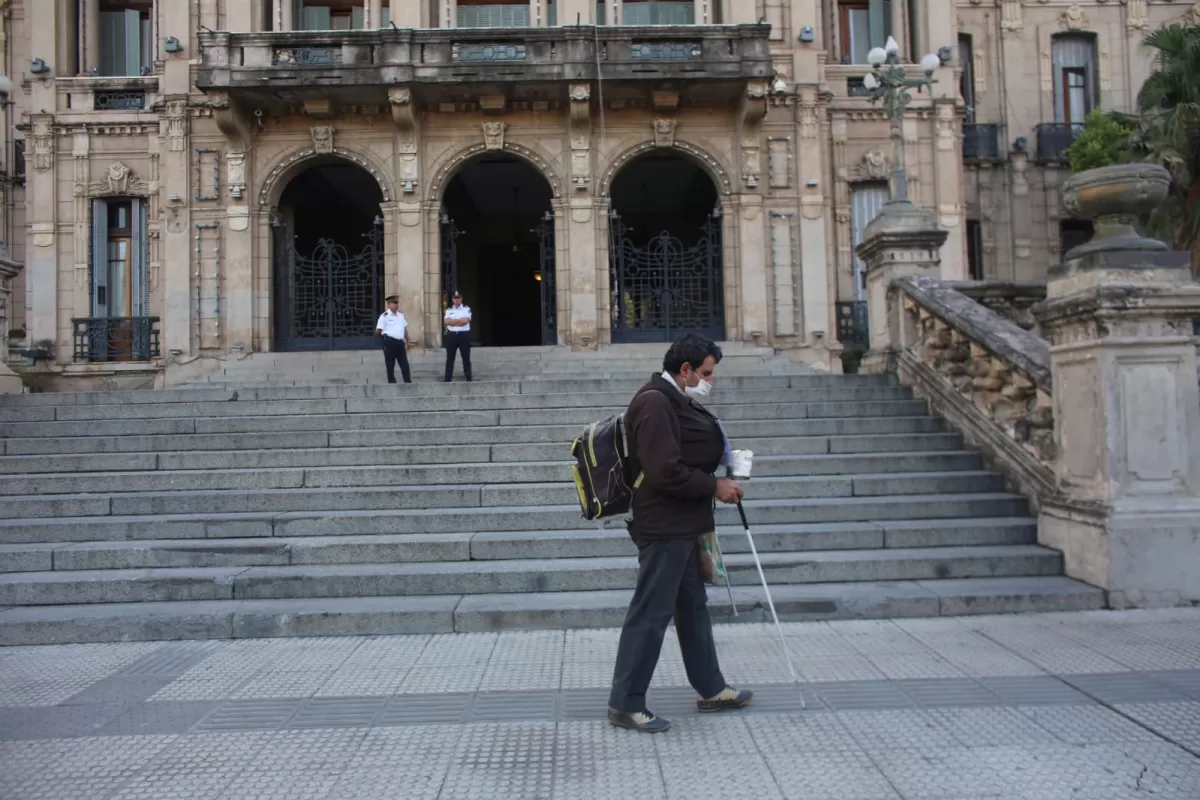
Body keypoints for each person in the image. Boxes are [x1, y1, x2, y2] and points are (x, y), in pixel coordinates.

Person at [607, 333, 752, 733]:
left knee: (693, 607)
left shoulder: (674, 399)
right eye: (706, 373)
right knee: (651, 614)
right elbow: (663, 471)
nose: (710, 380)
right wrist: (713, 486)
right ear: (685, 369)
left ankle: (711, 687)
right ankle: (625, 703)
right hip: (663, 526)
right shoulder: (654, 402)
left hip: (685, 523)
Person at [375, 295, 411, 384]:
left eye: (397, 303)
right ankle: (391, 382)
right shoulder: (384, 316)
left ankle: (408, 382)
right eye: (394, 303)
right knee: (390, 364)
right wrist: (384, 337)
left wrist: (408, 340)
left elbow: (404, 328)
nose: (396, 305)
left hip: (400, 343)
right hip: (389, 342)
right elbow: (378, 331)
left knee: (404, 364)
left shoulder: (401, 315)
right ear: (389, 304)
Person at [443, 291, 472, 383]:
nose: (457, 300)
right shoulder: (449, 310)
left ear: (461, 299)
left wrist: (453, 322)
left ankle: (468, 377)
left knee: (466, 357)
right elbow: (446, 322)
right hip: (452, 335)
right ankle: (447, 378)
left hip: (464, 335)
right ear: (452, 299)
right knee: (450, 358)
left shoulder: (466, 309)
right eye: (455, 298)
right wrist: (459, 321)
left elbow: (466, 321)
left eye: (458, 298)